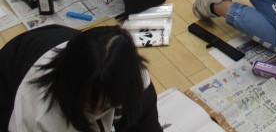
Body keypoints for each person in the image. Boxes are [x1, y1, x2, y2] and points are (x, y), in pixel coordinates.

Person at [0, 25, 162, 131]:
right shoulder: (41, 116)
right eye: (89, 104)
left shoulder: (135, 84)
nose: (97, 112)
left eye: (105, 105)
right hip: (12, 72)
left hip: (69, 43)